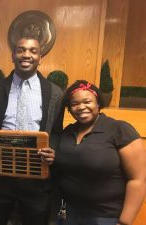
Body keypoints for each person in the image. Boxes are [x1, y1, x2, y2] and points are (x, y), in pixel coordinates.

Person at [0, 35, 64, 225]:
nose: (26, 55)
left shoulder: (54, 93)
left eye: (33, 51)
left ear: (40, 57)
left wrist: (52, 151)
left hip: (36, 178)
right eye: (21, 50)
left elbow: (56, 131)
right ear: (12, 55)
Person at [55, 80, 146, 225]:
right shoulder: (68, 131)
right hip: (69, 213)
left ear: (98, 103)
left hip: (105, 217)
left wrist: (124, 222)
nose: (81, 107)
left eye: (87, 101)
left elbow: (138, 180)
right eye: (74, 104)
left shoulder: (120, 130)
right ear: (69, 108)